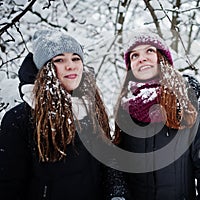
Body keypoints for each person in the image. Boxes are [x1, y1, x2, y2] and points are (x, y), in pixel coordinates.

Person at [0, 30, 128, 200]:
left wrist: (117, 194)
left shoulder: (91, 109)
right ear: (45, 69)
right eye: (59, 60)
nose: (71, 65)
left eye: (76, 58)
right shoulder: (19, 119)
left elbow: (109, 162)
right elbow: (9, 186)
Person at [113, 31, 200, 200]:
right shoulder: (125, 111)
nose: (141, 58)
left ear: (162, 58)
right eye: (134, 55)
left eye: (149, 51)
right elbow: (118, 165)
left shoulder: (191, 105)